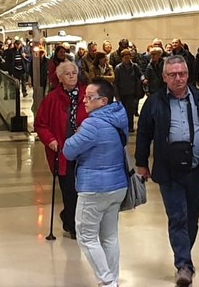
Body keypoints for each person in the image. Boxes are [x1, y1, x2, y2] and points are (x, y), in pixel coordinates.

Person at [135, 55, 199, 286]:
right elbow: (143, 133)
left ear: (188, 74)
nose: (178, 79)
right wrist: (141, 163)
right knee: (178, 217)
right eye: (172, 75)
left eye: (182, 74)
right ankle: (183, 265)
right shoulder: (155, 102)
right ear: (164, 77)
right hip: (168, 171)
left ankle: (185, 255)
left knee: (192, 217)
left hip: (196, 168)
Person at [62, 78, 129, 287]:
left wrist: (75, 135)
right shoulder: (119, 118)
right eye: (85, 96)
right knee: (109, 237)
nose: (84, 100)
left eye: (90, 97)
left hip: (94, 188)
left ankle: (107, 281)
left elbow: (68, 151)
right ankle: (112, 279)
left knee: (86, 237)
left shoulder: (92, 125)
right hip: (117, 186)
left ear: (103, 101)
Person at [36, 61, 88, 240]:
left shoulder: (87, 94)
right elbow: (40, 124)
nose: (72, 76)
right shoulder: (51, 99)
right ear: (60, 78)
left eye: (74, 72)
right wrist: (50, 140)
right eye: (67, 73)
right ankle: (73, 225)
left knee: (85, 189)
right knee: (69, 189)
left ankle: (78, 220)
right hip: (63, 151)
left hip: (86, 151)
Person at [112, 49, 144, 132]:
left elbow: (140, 74)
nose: (127, 59)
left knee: (130, 111)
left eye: (128, 57)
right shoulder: (118, 68)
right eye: (125, 57)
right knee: (122, 111)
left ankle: (130, 126)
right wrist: (116, 95)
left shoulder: (135, 66)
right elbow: (115, 83)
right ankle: (123, 127)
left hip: (131, 92)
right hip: (122, 92)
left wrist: (143, 79)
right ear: (122, 58)